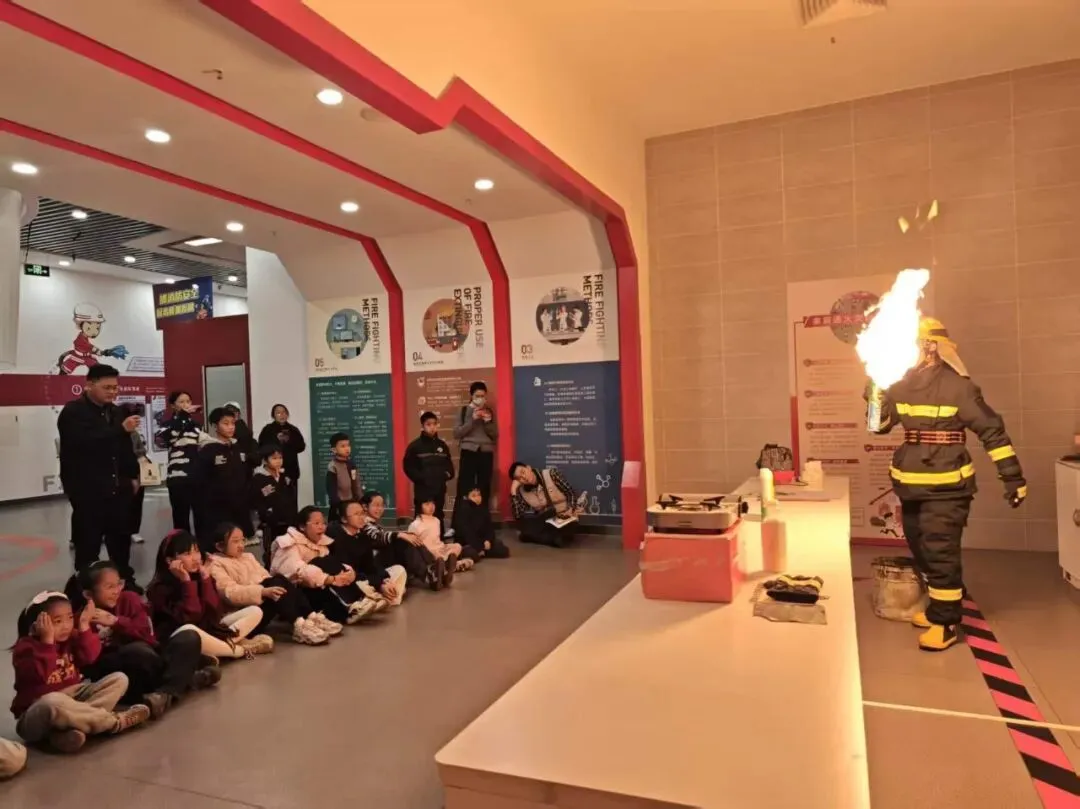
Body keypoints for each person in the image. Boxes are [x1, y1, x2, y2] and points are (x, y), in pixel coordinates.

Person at [868, 316, 1026, 652]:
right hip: (910, 486)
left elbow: (992, 432)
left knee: (940, 551)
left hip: (947, 489)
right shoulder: (898, 384)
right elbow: (877, 427)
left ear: (930, 348)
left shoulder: (960, 388)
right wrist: (874, 393)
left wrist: (1012, 477)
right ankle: (938, 607)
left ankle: (946, 622)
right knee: (921, 547)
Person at [65, 561, 219, 719]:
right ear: (88, 594)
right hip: (125, 673)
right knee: (137, 652)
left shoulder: (129, 598)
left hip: (150, 656)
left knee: (189, 637)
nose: (116, 591)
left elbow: (147, 636)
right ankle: (185, 679)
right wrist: (85, 628)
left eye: (119, 584)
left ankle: (166, 693)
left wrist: (117, 622)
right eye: (109, 587)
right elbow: (89, 661)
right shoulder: (80, 619)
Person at [10, 592, 150, 753]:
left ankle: (69, 731)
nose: (66, 626)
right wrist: (47, 644)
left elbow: (90, 657)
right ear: (36, 626)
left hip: (74, 698)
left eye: (70, 618)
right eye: (57, 621)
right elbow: (39, 676)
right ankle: (113, 722)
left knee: (119, 679)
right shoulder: (25, 649)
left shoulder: (71, 637)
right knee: (53, 701)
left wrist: (84, 626)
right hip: (38, 712)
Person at [57, 364, 142, 593]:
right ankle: (85, 589)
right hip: (88, 491)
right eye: (107, 387)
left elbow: (125, 448)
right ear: (89, 385)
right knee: (88, 543)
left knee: (120, 540)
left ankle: (124, 580)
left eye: (115, 387)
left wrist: (133, 475)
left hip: (118, 488)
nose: (112, 392)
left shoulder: (115, 412)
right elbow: (85, 442)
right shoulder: (73, 412)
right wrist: (120, 430)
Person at [147, 530, 273, 660]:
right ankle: (239, 650)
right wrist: (187, 583)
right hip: (184, 639)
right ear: (170, 560)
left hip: (209, 631)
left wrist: (206, 579)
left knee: (255, 611)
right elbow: (190, 618)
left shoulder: (201, 577)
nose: (195, 558)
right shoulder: (158, 589)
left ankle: (217, 650)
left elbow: (215, 614)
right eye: (187, 554)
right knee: (190, 630)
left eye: (196, 551)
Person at [208, 522, 338, 645]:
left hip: (261, 601)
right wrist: (262, 592)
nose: (241, 545)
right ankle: (299, 625)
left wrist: (268, 589)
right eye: (235, 541)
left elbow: (265, 577)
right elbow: (230, 593)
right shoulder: (216, 564)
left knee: (279, 580)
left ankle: (311, 617)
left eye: (242, 540)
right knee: (277, 583)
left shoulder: (248, 557)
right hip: (243, 615)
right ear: (220, 546)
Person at [269, 506, 380, 625]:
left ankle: (356, 604)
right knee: (321, 562)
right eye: (316, 523)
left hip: (317, 588)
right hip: (295, 596)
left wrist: (347, 572)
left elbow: (333, 566)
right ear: (302, 526)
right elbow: (296, 571)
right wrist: (329, 579)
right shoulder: (288, 543)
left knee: (329, 564)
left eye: (323, 523)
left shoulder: (322, 543)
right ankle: (353, 605)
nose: (321, 527)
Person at [357, 491, 444, 591]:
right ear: (365, 507)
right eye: (376, 505)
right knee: (403, 540)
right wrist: (399, 535)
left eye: (382, 505)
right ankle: (431, 573)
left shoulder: (372, 524)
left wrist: (404, 535)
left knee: (410, 537)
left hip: (381, 559)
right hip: (373, 564)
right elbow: (377, 537)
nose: (380, 509)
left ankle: (434, 570)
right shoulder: (363, 523)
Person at [327, 501, 408, 606]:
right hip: (350, 580)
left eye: (362, 513)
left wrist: (384, 580)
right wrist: (378, 584)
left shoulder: (363, 535)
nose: (362, 517)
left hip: (366, 577)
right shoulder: (335, 537)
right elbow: (348, 572)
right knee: (360, 585)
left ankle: (381, 598)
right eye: (356, 514)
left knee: (399, 570)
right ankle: (383, 598)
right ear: (344, 519)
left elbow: (370, 565)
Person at [193, 407, 252, 547]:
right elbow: (200, 480)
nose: (231, 427)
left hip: (237, 504)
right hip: (216, 507)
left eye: (233, 423)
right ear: (215, 426)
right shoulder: (208, 449)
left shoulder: (237, 447)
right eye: (226, 423)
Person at [157, 390, 204, 533]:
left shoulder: (196, 425)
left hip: (196, 475)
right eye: (181, 402)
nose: (186, 404)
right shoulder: (167, 424)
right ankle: (182, 544)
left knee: (201, 516)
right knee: (180, 517)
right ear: (173, 405)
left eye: (188, 401)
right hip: (177, 476)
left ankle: (201, 544)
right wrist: (182, 417)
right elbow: (164, 440)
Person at [403, 411, 454, 536]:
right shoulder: (415, 446)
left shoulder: (442, 445)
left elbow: (449, 465)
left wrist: (446, 475)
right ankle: (420, 542)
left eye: (434, 424)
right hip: (423, 489)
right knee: (422, 516)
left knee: (438, 514)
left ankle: (439, 539)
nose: (432, 427)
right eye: (428, 424)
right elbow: (408, 467)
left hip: (439, 488)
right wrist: (422, 479)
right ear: (423, 426)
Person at [508, 462, 581, 548]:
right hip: (546, 521)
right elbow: (519, 516)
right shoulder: (522, 491)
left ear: (528, 468)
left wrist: (570, 509)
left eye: (523, 472)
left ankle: (544, 538)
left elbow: (570, 493)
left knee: (525, 535)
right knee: (525, 526)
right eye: (519, 478)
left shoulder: (552, 474)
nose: (524, 477)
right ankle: (554, 539)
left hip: (564, 517)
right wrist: (513, 491)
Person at [453, 382, 498, 513]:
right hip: (468, 451)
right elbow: (457, 433)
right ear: (471, 396)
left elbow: (495, 435)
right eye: (477, 396)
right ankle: (461, 520)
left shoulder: (489, 411)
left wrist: (488, 422)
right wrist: (471, 420)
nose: (480, 399)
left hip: (486, 452)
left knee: (484, 487)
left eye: (482, 396)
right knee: (464, 486)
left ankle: (482, 519)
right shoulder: (463, 411)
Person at [250, 443, 297, 564]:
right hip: (270, 523)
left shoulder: (284, 477)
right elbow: (256, 500)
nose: (278, 461)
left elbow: (291, 497)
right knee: (271, 551)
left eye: (280, 458)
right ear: (265, 460)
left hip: (287, 520)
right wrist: (265, 514)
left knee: (288, 549)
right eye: (274, 458)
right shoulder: (259, 478)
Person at [257, 404, 306, 509]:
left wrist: (289, 441)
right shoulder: (268, 429)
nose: (281, 415)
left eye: (284, 412)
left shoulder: (293, 429)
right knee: (273, 499)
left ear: (287, 414)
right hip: (272, 470)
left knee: (291, 500)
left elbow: (301, 447)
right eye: (278, 413)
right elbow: (261, 447)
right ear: (273, 415)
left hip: (291, 469)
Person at [408, 497, 464, 586]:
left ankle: (446, 571)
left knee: (457, 546)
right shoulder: (415, 524)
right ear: (420, 507)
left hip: (439, 547)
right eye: (427, 504)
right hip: (428, 551)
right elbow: (413, 545)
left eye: (432, 503)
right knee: (436, 556)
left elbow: (437, 539)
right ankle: (443, 569)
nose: (431, 506)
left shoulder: (437, 521)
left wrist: (443, 547)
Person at [455, 487, 511, 561]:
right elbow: (468, 534)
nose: (477, 498)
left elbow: (490, 528)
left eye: (479, 495)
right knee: (472, 553)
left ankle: (482, 552)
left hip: (483, 541)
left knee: (503, 550)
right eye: (473, 496)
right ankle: (481, 552)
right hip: (468, 543)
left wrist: (487, 540)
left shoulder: (484, 509)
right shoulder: (464, 510)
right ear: (467, 497)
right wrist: (480, 546)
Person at [122, 402, 148, 544]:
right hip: (123, 472)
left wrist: (137, 454)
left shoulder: (135, 434)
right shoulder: (116, 434)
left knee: (137, 501)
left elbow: (141, 450)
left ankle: (134, 530)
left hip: (137, 469)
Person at [325, 432, 362, 521]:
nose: (347, 448)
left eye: (348, 445)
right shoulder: (333, 466)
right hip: (339, 504)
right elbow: (331, 488)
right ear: (334, 450)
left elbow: (356, 483)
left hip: (352, 502)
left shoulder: (352, 464)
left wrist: (360, 499)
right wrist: (337, 504)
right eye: (343, 446)